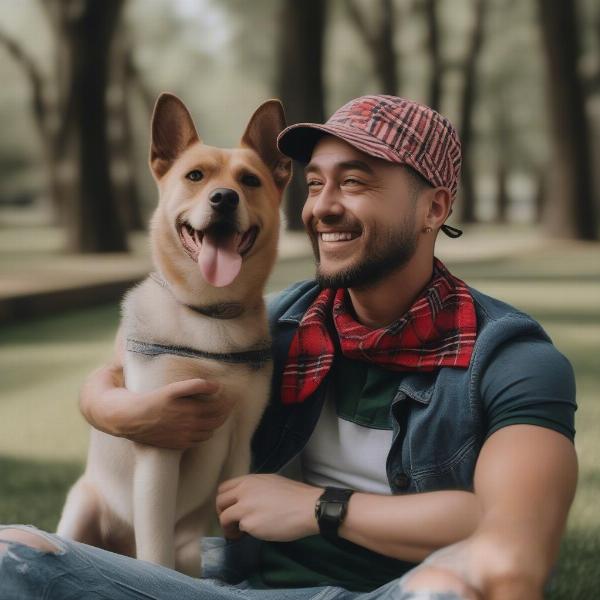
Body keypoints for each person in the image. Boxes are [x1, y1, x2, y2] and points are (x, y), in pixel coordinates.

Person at [0, 95, 577, 600]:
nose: (322, 206)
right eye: (317, 182)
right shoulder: (267, 326)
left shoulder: (506, 356)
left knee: (446, 592)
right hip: (233, 589)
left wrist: (317, 508)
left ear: (433, 208)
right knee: (11, 555)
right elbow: (125, 365)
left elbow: (513, 528)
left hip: (396, 591)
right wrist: (113, 410)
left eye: (354, 182)